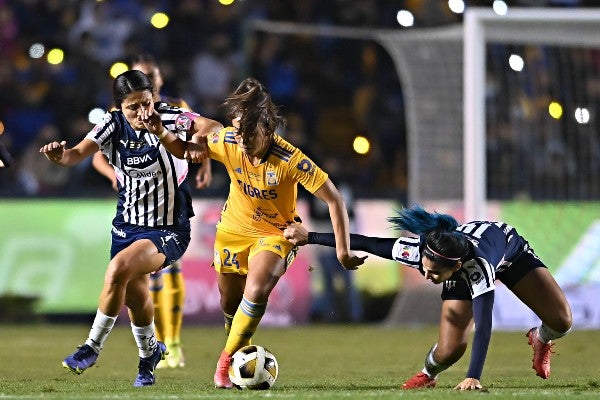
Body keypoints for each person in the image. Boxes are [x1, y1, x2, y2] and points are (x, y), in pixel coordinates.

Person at [151, 77, 365, 388]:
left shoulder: (290, 159)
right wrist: (170, 133)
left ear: (267, 129)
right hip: (233, 230)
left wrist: (342, 250)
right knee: (230, 303)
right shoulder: (228, 142)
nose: (242, 139)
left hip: (277, 233)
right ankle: (236, 346)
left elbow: (334, 198)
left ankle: (225, 364)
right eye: (237, 132)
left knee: (256, 290)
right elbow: (191, 139)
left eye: (249, 133)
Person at [39, 69, 215, 387]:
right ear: (119, 107)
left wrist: (205, 138)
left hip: (168, 228)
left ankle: (91, 346)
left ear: (153, 99)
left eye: (146, 103)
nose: (141, 112)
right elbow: (76, 154)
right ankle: (150, 354)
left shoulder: (170, 118)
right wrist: (59, 157)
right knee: (136, 296)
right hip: (127, 225)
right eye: (133, 106)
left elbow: (210, 126)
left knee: (118, 269)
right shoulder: (111, 125)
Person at [283, 204, 573, 391]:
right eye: (425, 267)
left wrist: (474, 376)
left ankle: (541, 339)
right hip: (465, 264)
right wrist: (310, 237)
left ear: (455, 267)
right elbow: (367, 242)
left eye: (434, 273)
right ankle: (428, 374)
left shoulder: (477, 269)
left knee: (562, 321)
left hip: (511, 253)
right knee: (449, 351)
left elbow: (484, 326)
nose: (426, 275)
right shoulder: (421, 251)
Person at [91, 54, 219, 369]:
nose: (150, 79)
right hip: (136, 202)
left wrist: (204, 164)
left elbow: (199, 134)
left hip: (170, 199)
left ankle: (172, 344)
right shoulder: (118, 116)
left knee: (170, 269)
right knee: (139, 278)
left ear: (158, 80)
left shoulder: (176, 108)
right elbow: (94, 154)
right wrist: (114, 177)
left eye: (152, 74)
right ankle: (155, 343)